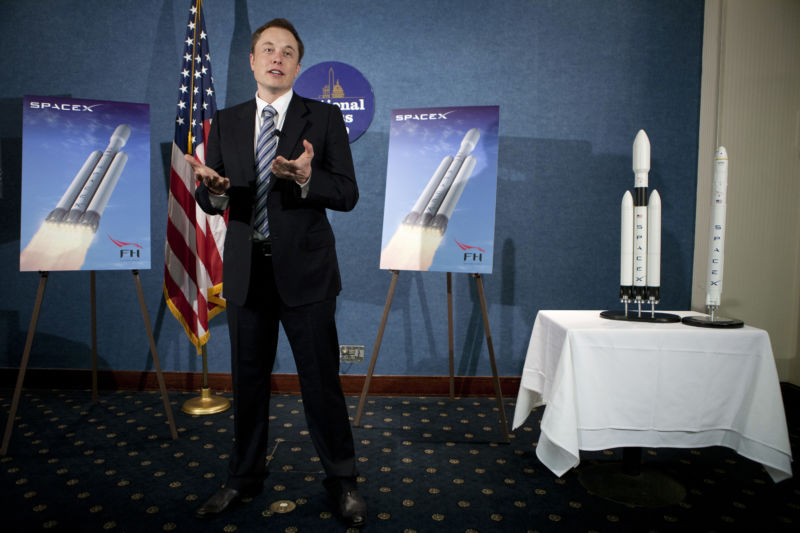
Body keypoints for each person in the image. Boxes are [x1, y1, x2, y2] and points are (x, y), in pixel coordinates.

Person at [186, 18, 365, 528]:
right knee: (247, 383)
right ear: (252, 60)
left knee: (320, 382)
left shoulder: (324, 118)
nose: (277, 58)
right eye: (268, 49)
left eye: (287, 52)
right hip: (246, 273)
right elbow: (209, 194)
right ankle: (242, 479)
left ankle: (342, 479)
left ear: (298, 65)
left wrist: (310, 179)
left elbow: (347, 193)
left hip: (306, 274)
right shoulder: (227, 120)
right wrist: (216, 191)